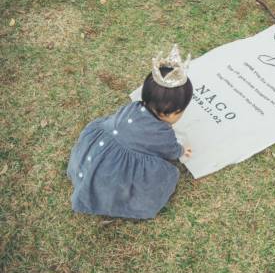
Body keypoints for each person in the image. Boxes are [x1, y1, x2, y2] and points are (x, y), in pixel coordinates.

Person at [67, 45, 193, 219]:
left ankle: (86, 178)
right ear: (171, 113)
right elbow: (169, 150)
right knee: (162, 177)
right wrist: (181, 150)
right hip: (110, 172)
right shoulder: (162, 134)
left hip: (94, 154)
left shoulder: (132, 108)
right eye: (182, 111)